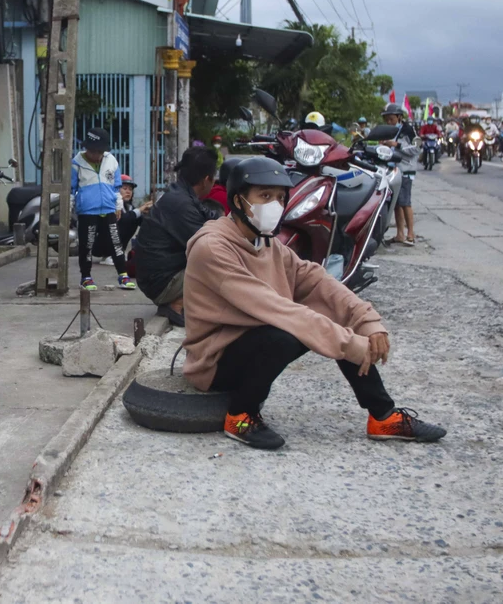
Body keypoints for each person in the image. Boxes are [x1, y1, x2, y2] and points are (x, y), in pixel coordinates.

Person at [181, 157, 446, 450]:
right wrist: (353, 346)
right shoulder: (213, 248)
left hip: (251, 339)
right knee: (286, 332)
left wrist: (366, 321)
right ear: (239, 201)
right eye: (265, 196)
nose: (274, 205)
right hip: (215, 360)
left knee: (326, 310)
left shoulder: (267, 242)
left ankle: (382, 415)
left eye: (280, 198)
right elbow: (274, 308)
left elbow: (318, 281)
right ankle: (241, 415)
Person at [135, 146, 224, 327]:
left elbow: (206, 213)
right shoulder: (180, 203)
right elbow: (209, 247)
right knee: (220, 263)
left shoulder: (180, 194)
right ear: (207, 179)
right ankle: (176, 304)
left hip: (157, 276)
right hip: (161, 283)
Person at [71, 128, 136, 291]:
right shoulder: (76, 163)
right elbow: (71, 189)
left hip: (108, 208)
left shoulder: (111, 161)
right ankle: (86, 277)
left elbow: (116, 186)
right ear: (87, 148)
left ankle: (123, 275)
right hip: (87, 211)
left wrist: (118, 204)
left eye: (100, 151)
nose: (97, 155)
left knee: (116, 243)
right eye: (93, 151)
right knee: (86, 244)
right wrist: (72, 208)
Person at [380, 103, 418, 246]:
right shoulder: (389, 131)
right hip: (392, 170)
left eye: (391, 119)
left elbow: (416, 149)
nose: (389, 122)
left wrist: (397, 145)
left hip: (406, 169)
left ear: (399, 117)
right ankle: (400, 234)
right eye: (387, 120)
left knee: (405, 202)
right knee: (396, 204)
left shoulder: (408, 130)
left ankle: (410, 234)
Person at [94, 174, 150, 264]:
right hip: (99, 245)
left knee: (137, 219)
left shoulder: (129, 207)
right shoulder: (109, 205)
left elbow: (140, 220)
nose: (128, 192)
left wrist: (151, 213)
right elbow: (123, 220)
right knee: (128, 219)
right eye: (125, 189)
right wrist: (140, 209)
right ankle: (110, 254)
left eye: (130, 189)